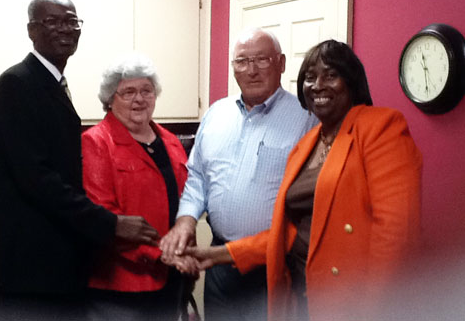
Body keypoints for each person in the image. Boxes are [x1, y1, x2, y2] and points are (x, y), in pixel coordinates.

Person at [184, 39, 423, 321]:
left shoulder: (380, 127)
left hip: (350, 299)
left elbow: (396, 232)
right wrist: (217, 255)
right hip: (300, 293)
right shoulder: (308, 142)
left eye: (331, 75)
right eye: (310, 77)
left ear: (352, 81)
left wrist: (371, 309)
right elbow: (293, 231)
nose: (318, 85)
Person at [0, 0, 154, 321]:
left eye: (71, 21)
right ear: (32, 30)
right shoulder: (17, 84)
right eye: (52, 21)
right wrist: (110, 224)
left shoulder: (50, 82)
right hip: (30, 275)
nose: (64, 29)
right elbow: (39, 180)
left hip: (55, 268)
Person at [160, 27, 318, 321]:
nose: (252, 70)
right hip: (218, 263)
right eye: (242, 62)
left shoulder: (307, 117)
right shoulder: (216, 114)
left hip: (276, 261)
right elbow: (197, 177)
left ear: (281, 63)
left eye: (262, 60)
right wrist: (185, 220)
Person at [81, 54, 197, 321]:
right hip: (122, 286)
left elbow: (186, 201)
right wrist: (161, 255)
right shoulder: (96, 142)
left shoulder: (170, 141)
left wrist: (186, 252)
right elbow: (104, 216)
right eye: (128, 92)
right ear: (110, 99)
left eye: (147, 90)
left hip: (172, 277)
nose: (139, 99)